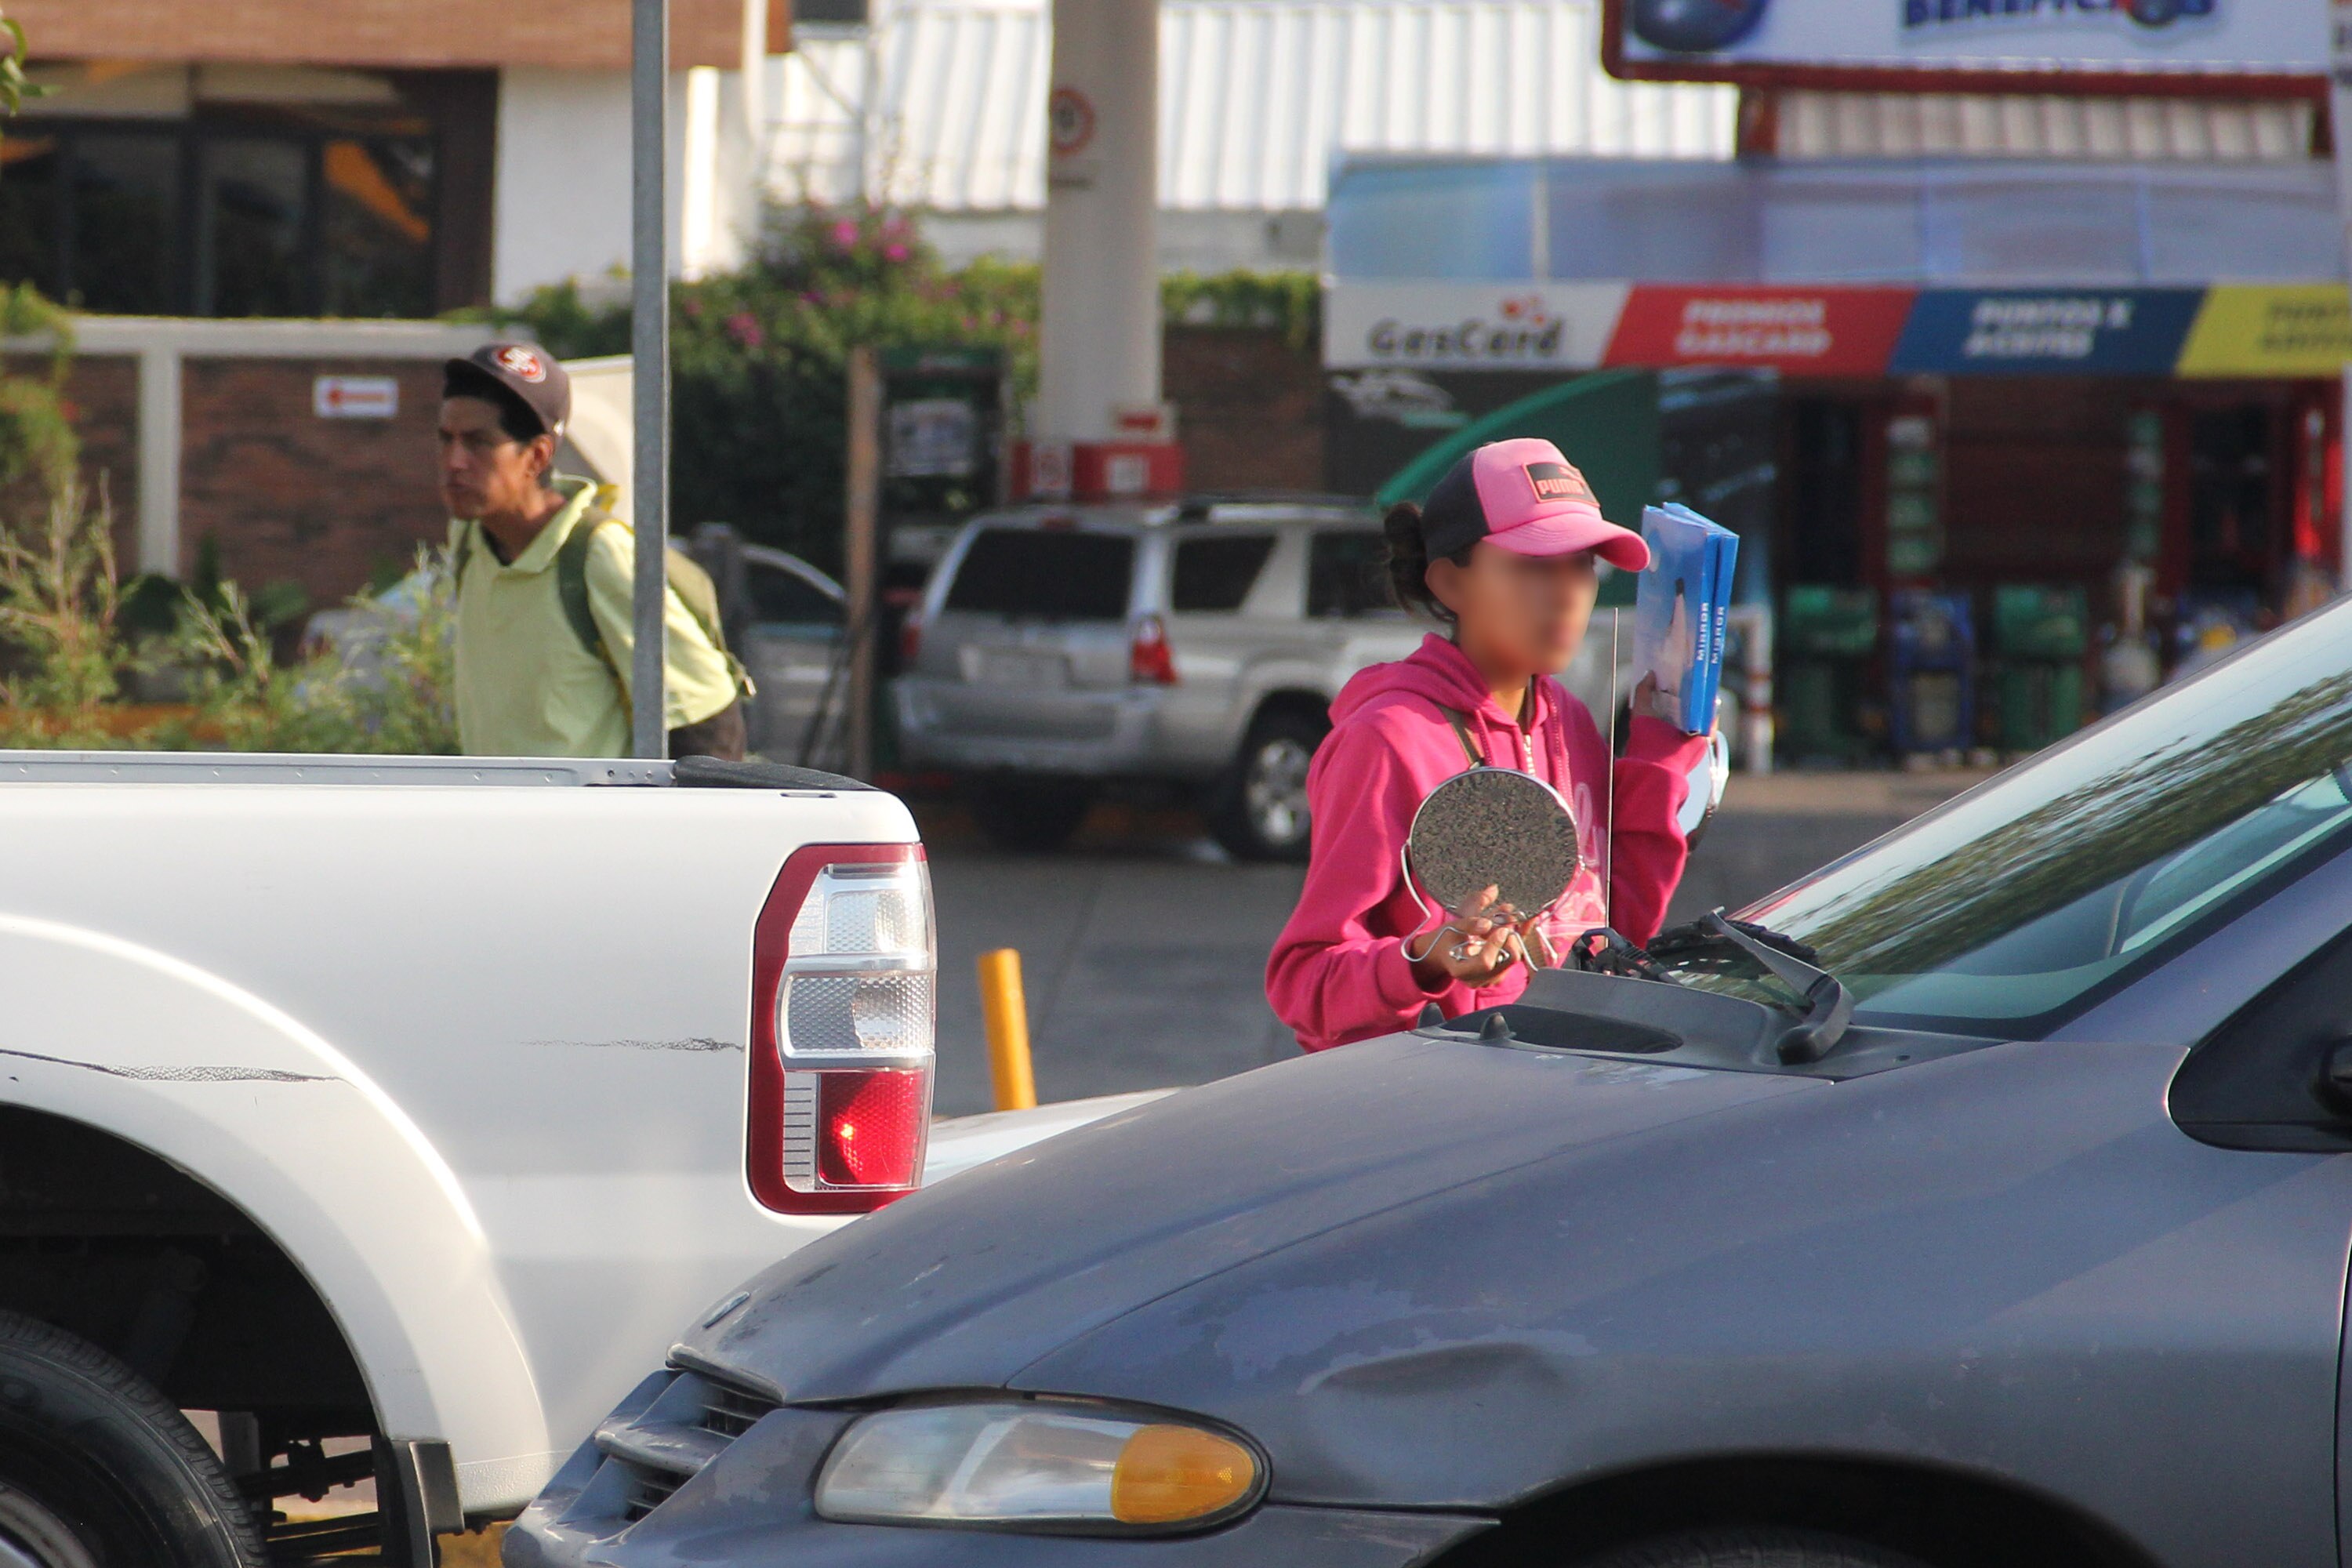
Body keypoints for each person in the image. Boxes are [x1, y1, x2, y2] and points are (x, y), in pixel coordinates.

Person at [1265, 438, 1710, 1052]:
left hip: (1558, 1097)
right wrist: (1422, 962)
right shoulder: (1389, 739)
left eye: (1582, 565)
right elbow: (1303, 984)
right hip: (1432, 1117)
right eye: (1534, 564)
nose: (1566, 594)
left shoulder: (1569, 722)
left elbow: (1611, 937)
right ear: (1450, 582)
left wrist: (1664, 745)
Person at [437, 343, 747, 760]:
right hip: (496, 822)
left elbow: (708, 720)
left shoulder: (598, 554)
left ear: (537, 456)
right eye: (446, 439)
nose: (454, 461)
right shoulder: (468, 540)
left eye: (478, 442)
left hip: (590, 825)